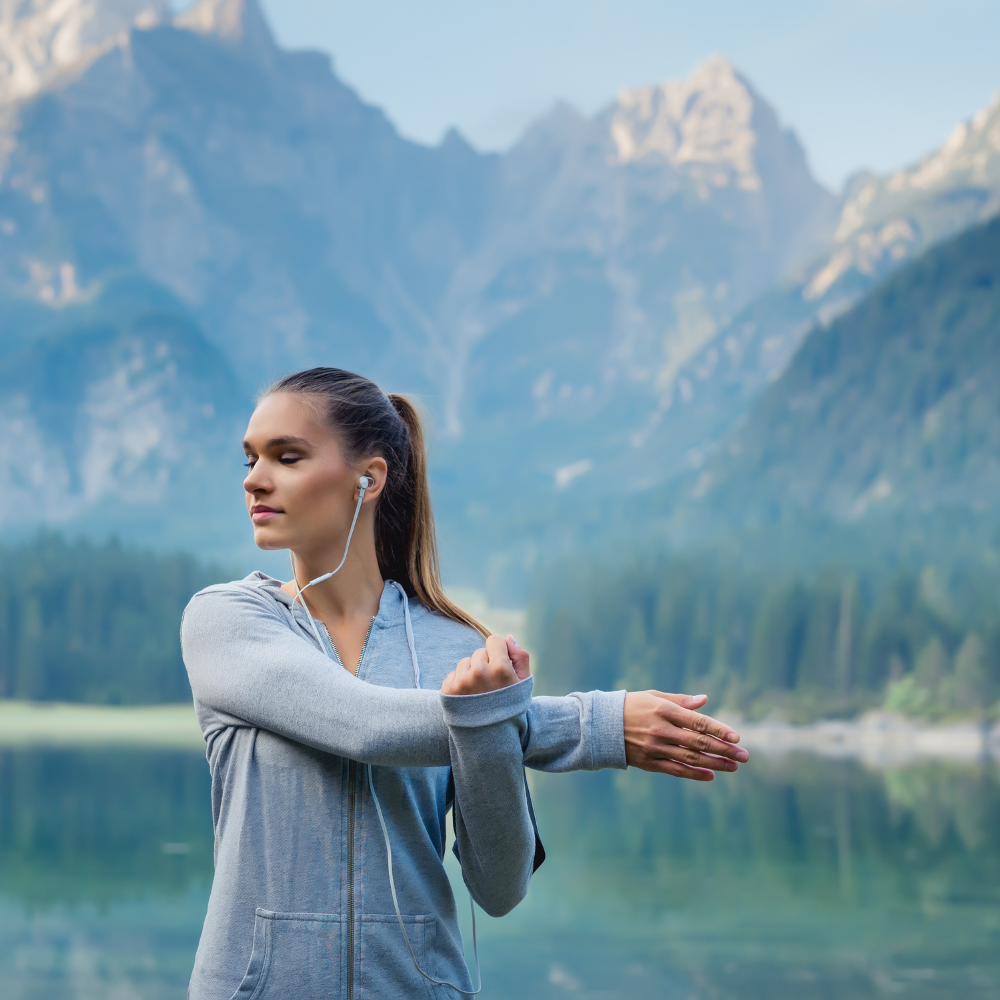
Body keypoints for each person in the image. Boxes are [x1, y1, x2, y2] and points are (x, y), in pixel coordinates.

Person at [180, 368, 748, 999]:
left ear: (368, 478)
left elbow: (500, 888)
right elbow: (361, 723)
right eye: (251, 457)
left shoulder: (459, 653)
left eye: (287, 457)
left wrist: (494, 727)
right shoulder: (228, 621)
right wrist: (595, 726)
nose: (253, 478)